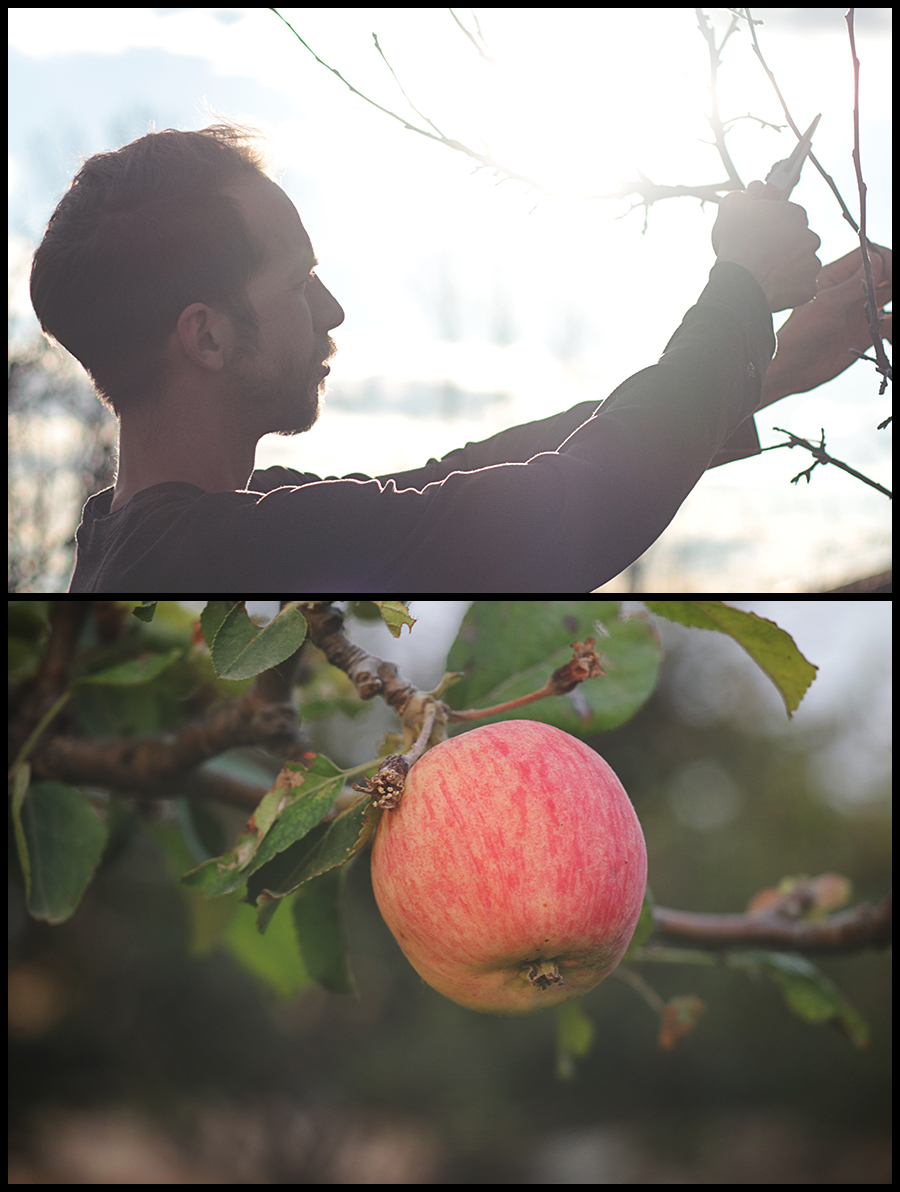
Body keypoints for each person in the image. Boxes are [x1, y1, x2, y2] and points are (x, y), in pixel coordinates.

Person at [30, 125, 891, 593]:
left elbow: (462, 477)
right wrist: (738, 288)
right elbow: (576, 506)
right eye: (299, 283)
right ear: (208, 337)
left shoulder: (175, 532)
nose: (331, 311)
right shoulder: (209, 556)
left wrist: (766, 365)